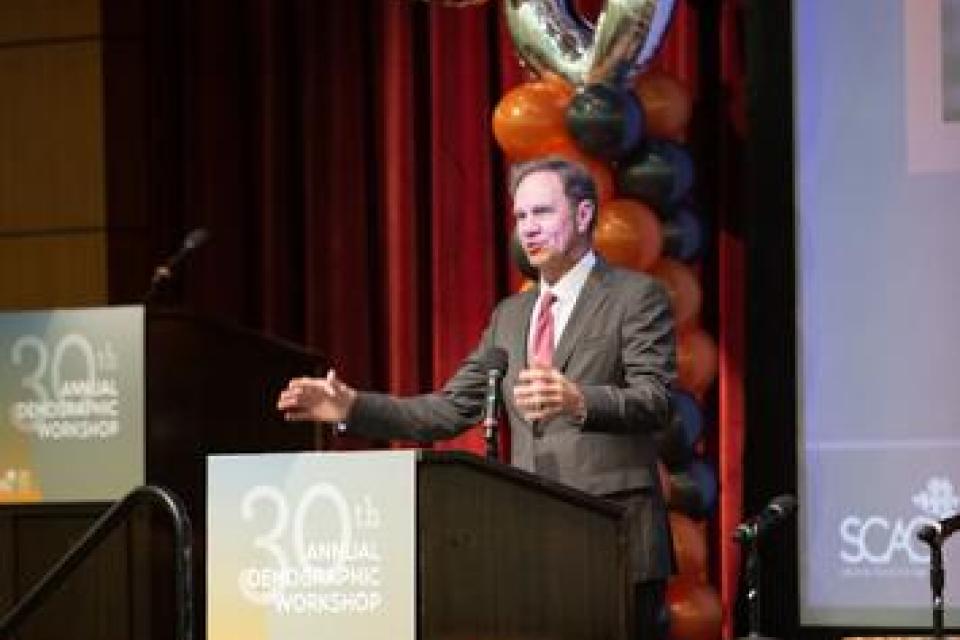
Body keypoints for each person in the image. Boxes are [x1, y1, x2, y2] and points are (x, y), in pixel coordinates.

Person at [277, 155, 677, 639]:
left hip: (616, 539)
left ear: (584, 214)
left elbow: (657, 400)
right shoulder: (511, 315)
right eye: (521, 216)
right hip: (534, 542)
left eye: (542, 212)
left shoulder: (635, 296)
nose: (528, 228)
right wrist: (352, 407)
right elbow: (447, 409)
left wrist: (580, 401)